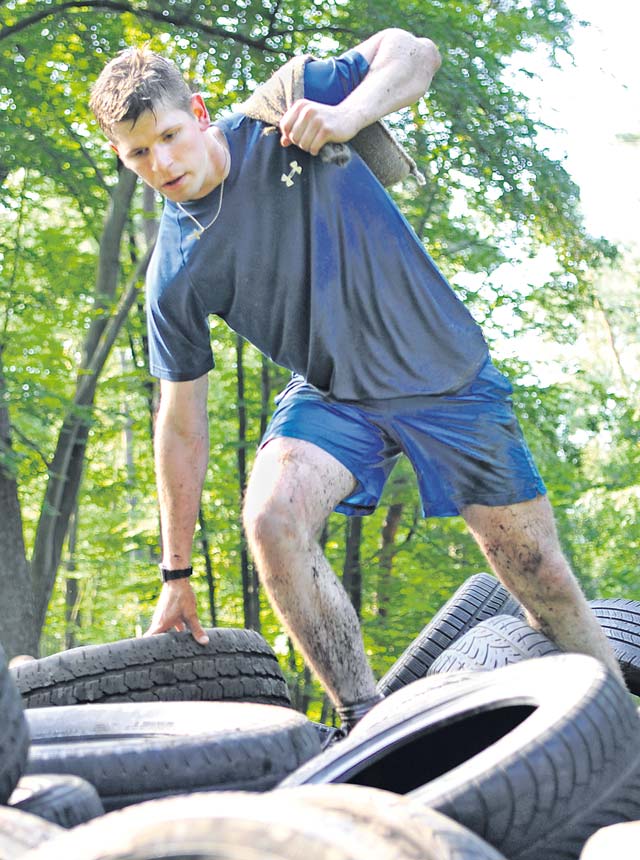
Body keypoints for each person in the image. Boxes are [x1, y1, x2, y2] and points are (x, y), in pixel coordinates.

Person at [90, 28, 626, 730]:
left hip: (443, 374)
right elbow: (181, 422)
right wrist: (177, 573)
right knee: (272, 518)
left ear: (196, 110)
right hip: (336, 394)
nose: (161, 162)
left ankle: (621, 731)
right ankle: (364, 726)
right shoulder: (174, 273)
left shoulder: (281, 109)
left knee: (539, 575)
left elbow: (416, 52)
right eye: (138, 152)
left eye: (168, 135)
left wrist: (347, 116)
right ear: (120, 156)